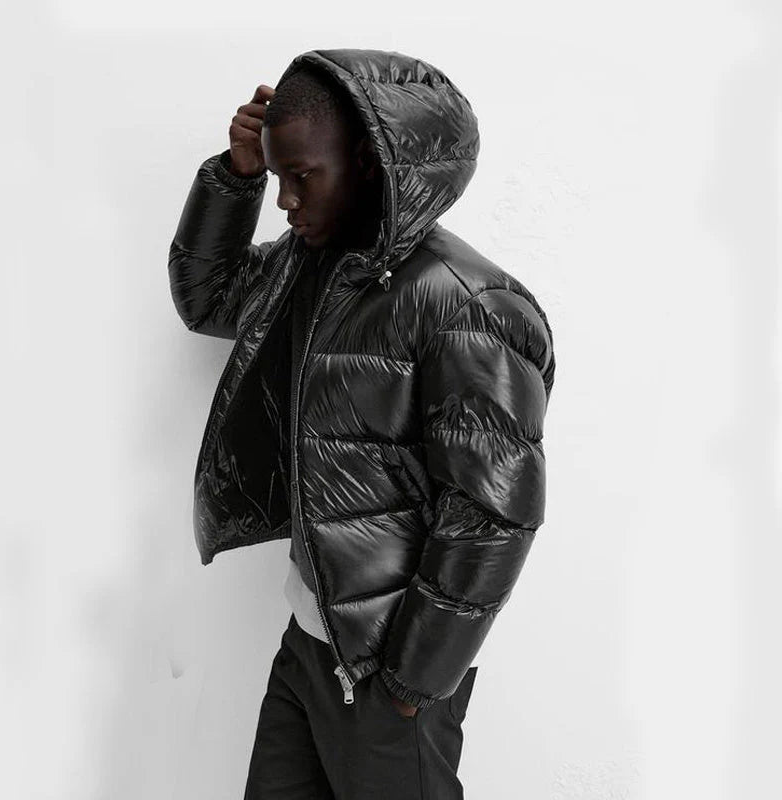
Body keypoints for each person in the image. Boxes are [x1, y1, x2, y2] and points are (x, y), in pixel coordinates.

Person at [168, 48, 556, 800]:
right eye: (278, 177)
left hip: (385, 674)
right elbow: (207, 298)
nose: (286, 200)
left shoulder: (468, 306)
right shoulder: (314, 265)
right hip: (311, 642)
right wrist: (239, 175)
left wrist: (410, 683)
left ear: (371, 164)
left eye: (301, 176)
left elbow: (494, 514)